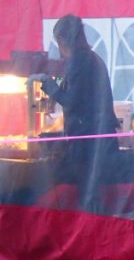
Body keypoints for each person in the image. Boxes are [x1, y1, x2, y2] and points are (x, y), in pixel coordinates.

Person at [32, 15, 118, 212]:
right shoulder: (93, 58)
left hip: (87, 139)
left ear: (62, 40)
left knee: (89, 194)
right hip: (100, 136)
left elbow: (72, 101)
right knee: (95, 191)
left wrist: (46, 83)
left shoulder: (79, 61)